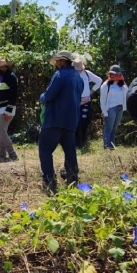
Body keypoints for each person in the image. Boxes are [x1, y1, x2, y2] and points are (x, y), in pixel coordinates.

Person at [38, 50, 84, 194]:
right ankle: (73, 180)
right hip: (71, 121)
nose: (56, 64)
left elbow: (49, 95)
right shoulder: (78, 77)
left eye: (57, 61)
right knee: (70, 152)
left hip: (54, 120)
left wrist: (42, 96)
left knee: (44, 149)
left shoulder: (59, 75)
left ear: (63, 61)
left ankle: (49, 180)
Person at [72, 59, 102, 148]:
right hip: (75, 101)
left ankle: (84, 140)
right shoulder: (71, 75)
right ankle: (77, 143)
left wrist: (92, 90)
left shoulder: (87, 73)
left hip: (86, 101)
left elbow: (99, 81)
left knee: (85, 121)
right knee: (76, 123)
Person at [0, 58, 20, 162]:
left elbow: (14, 95)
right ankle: (2, 156)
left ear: (4, 67)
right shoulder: (4, 77)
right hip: (1, 107)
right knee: (2, 132)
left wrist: (9, 110)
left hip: (7, 108)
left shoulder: (11, 77)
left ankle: (12, 155)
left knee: (0, 132)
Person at [99, 65, 128, 150]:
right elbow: (102, 100)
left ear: (119, 74)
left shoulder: (122, 84)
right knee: (109, 128)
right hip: (110, 108)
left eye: (114, 74)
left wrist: (122, 80)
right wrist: (104, 112)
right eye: (111, 74)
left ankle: (111, 145)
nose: (112, 75)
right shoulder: (106, 85)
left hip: (120, 108)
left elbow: (126, 92)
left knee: (114, 128)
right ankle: (106, 146)